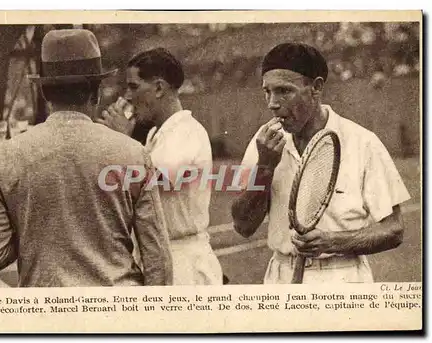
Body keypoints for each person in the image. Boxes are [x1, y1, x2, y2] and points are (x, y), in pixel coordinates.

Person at [0, 29, 173, 287]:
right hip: (119, 314)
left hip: (48, 316)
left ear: (44, 92)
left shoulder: (7, 156)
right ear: (96, 91)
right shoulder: (134, 154)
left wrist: (32, 231)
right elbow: (159, 262)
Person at [231, 42, 410, 284]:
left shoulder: (362, 142)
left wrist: (333, 241)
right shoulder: (264, 142)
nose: (272, 102)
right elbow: (243, 226)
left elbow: (394, 229)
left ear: (316, 87)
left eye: (284, 91)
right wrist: (265, 167)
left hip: (343, 277)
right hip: (280, 276)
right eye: (267, 91)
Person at [98, 48, 223, 285]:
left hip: (183, 262)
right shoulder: (157, 134)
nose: (128, 96)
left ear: (158, 88)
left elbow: (154, 184)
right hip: (159, 255)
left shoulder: (187, 131)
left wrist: (122, 141)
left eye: (134, 87)